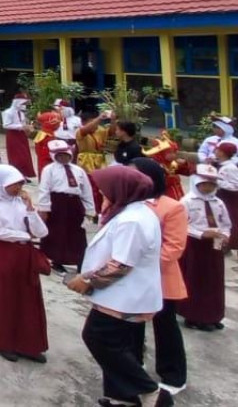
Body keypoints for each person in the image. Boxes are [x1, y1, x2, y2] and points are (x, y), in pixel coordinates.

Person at [65, 165, 164, 407]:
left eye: (105, 188)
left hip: (125, 296)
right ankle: (122, 396)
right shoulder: (131, 212)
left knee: (99, 338)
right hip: (123, 294)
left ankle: (150, 392)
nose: (101, 192)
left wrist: (86, 280)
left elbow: (120, 265)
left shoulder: (132, 220)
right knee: (122, 344)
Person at [132, 157, 189, 397]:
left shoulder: (171, 207)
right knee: (130, 322)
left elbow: (174, 247)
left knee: (165, 325)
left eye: (134, 174)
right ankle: (134, 363)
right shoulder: (125, 201)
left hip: (159, 276)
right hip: (129, 275)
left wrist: (137, 263)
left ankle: (173, 375)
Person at [0, 164, 49, 362]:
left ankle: (28, 344)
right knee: (4, 298)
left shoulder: (21, 201)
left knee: (27, 297)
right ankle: (3, 342)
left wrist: (30, 209)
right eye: (13, 184)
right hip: (3, 253)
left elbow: (41, 232)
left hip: (24, 254)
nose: (18, 187)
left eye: (20, 183)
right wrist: (24, 235)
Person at [177, 163, 230, 331]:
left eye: (212, 184)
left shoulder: (218, 202)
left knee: (214, 280)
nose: (209, 187)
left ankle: (213, 314)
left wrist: (225, 235)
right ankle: (194, 315)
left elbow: (226, 223)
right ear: (197, 183)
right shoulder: (186, 201)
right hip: (194, 245)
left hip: (214, 245)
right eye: (205, 183)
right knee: (196, 279)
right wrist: (201, 234)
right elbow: (180, 224)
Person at [37, 139, 95, 272]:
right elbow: (44, 189)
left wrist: (90, 209)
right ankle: (56, 260)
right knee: (56, 232)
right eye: (59, 155)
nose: (63, 157)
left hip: (74, 204)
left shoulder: (78, 170)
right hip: (57, 203)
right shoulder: (49, 170)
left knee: (77, 233)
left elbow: (86, 190)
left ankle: (81, 261)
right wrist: (44, 208)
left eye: (65, 154)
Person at [1, 93, 34, 177]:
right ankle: (16, 175)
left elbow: (23, 123)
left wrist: (27, 128)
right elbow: (6, 125)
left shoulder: (21, 113)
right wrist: (21, 126)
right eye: (23, 104)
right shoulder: (8, 112)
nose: (24, 106)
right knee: (16, 156)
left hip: (22, 135)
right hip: (13, 135)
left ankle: (25, 174)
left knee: (25, 154)